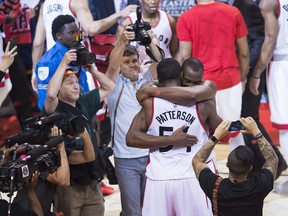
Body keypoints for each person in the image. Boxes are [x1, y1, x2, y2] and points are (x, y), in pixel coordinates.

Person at [126, 58, 222, 216]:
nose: (192, 85)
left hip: (159, 179)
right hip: (192, 176)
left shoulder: (150, 102)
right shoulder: (203, 103)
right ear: (181, 75)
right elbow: (220, 130)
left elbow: (131, 138)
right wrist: (171, 139)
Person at [44, 48, 115, 215]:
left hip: (92, 180)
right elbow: (50, 95)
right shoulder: (53, 109)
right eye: (70, 83)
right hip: (69, 184)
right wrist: (63, 63)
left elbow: (110, 86)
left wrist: (92, 69)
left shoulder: (83, 102)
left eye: (77, 82)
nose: (76, 86)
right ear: (59, 88)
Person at [105, 25, 163, 215]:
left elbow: (159, 61)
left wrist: (151, 40)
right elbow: (112, 66)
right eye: (127, 62)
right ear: (120, 67)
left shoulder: (147, 80)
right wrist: (121, 41)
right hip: (125, 159)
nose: (132, 65)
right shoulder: (112, 86)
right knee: (133, 212)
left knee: (150, 209)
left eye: (135, 61)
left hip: (150, 156)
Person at [177, 0, 250, 151]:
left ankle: (208, 172)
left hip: (202, 85)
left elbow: (185, 56)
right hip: (231, 80)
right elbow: (244, 52)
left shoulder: (185, 17)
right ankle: (241, 173)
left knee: (205, 132)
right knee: (235, 130)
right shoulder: (233, 12)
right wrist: (243, 78)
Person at [233, 0, 287, 179]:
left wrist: (251, 72)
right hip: (264, 65)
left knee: (248, 118)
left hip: (268, 66)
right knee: (246, 118)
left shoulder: (253, 6)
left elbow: (263, 40)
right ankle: (263, 162)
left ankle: (273, 160)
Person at [31, 0, 137, 91]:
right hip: (78, 66)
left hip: (53, 67)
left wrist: (35, 72)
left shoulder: (45, 5)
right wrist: (120, 14)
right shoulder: (76, 1)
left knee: (59, 111)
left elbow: (38, 43)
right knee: (90, 110)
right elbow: (91, 29)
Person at [192, 117, 278, 216]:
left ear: (227, 164)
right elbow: (272, 159)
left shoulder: (214, 185)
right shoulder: (259, 185)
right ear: (250, 168)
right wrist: (256, 132)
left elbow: (197, 160)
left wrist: (216, 137)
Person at [249, 0, 288, 195]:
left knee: (285, 126)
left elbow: (270, 40)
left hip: (283, 64)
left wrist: (256, 74)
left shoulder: (270, 2)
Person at [35, 14, 90, 110]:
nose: (76, 36)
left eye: (76, 32)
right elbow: (45, 100)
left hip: (81, 112)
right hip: (61, 117)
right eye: (71, 33)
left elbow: (83, 83)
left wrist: (90, 111)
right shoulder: (46, 63)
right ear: (59, 36)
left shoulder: (77, 52)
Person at [12, 126, 70, 216]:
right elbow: (63, 180)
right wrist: (61, 147)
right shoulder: (36, 160)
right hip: (25, 210)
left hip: (42, 210)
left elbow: (89, 157)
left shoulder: (51, 155)